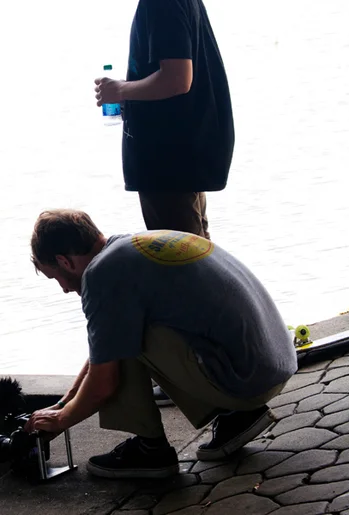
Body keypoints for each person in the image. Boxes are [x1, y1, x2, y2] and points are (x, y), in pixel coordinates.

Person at [23, 209, 296, 478]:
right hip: (271, 364)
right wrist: (63, 403)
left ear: (65, 261)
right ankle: (236, 415)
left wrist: (62, 420)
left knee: (128, 339)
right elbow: (104, 346)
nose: (64, 288)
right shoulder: (133, 247)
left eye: (55, 276)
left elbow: (104, 380)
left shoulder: (101, 275)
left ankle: (150, 448)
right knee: (123, 332)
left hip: (247, 381)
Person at [94, 0, 235, 405]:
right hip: (180, 150)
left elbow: (177, 79)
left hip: (169, 156)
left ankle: (212, 379)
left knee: (183, 267)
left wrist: (121, 90)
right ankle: (220, 366)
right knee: (197, 254)